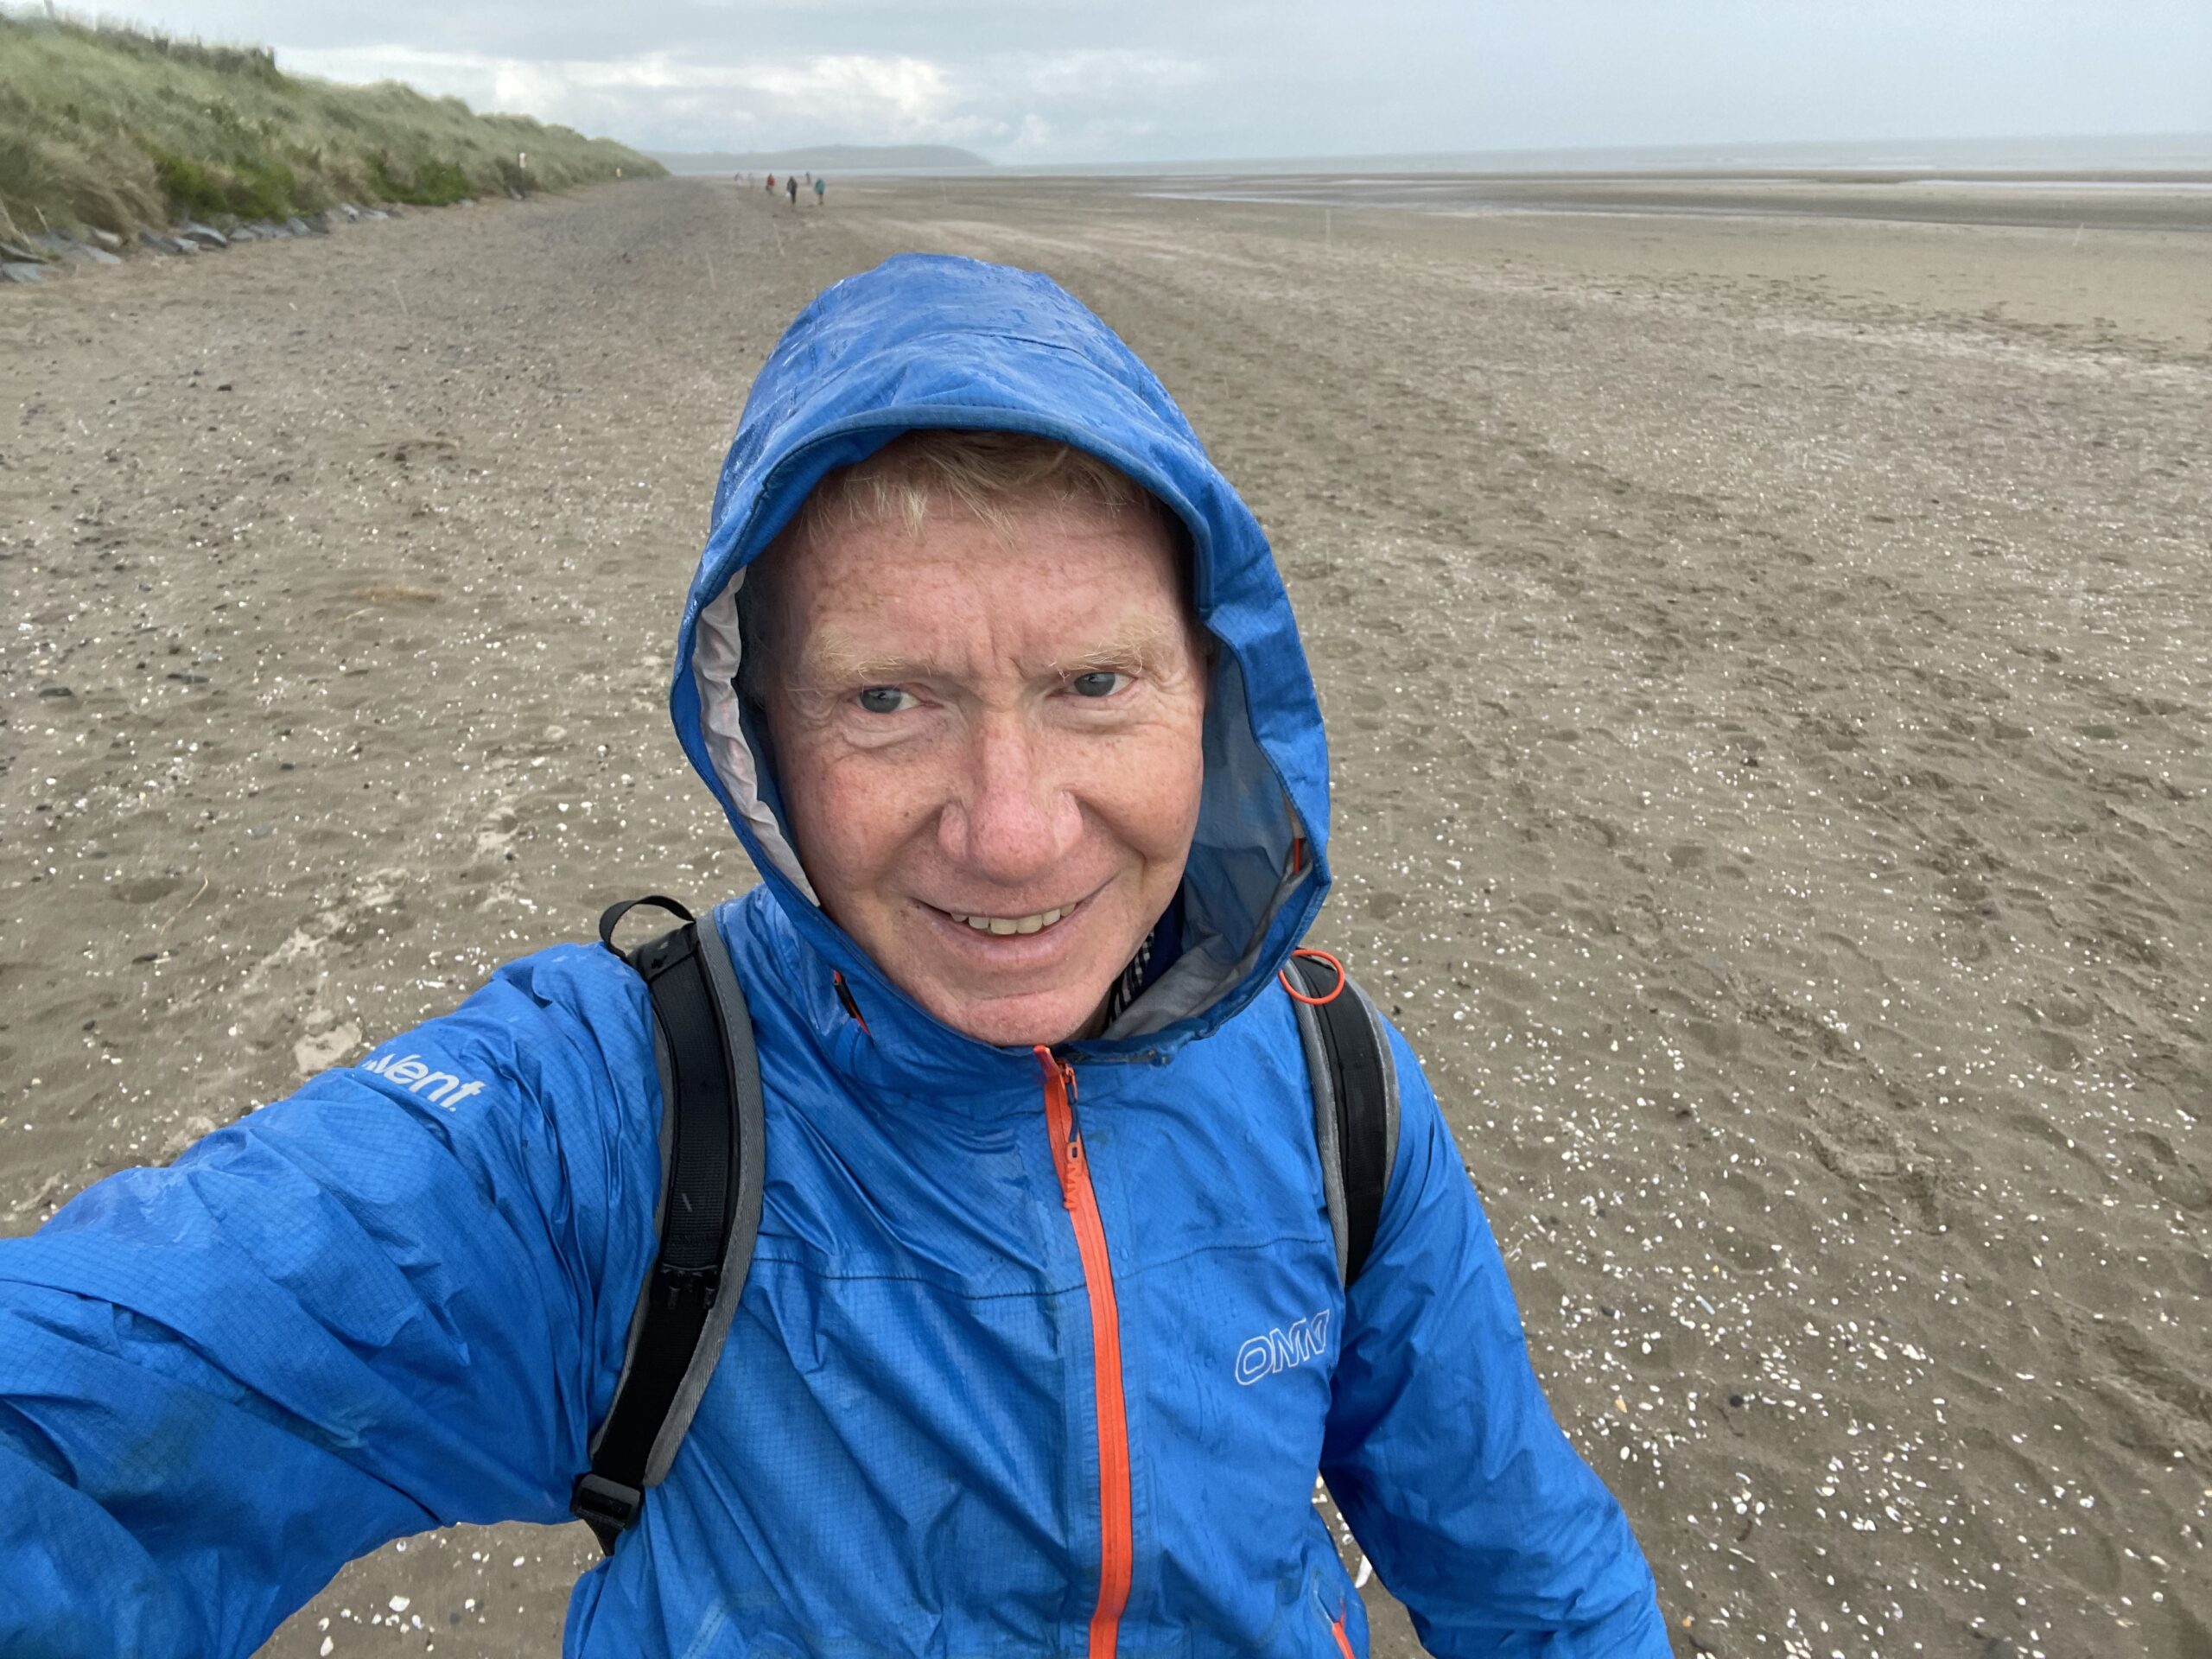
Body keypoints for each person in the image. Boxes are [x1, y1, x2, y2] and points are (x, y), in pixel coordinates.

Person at [0, 254, 1669, 1657]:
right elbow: (100, 1392)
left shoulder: (1332, 1086)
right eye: (887, 699)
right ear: (763, 745)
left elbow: (1527, 1564)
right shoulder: (614, 1120)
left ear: (1213, 702)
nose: (1013, 832)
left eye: (1095, 685)